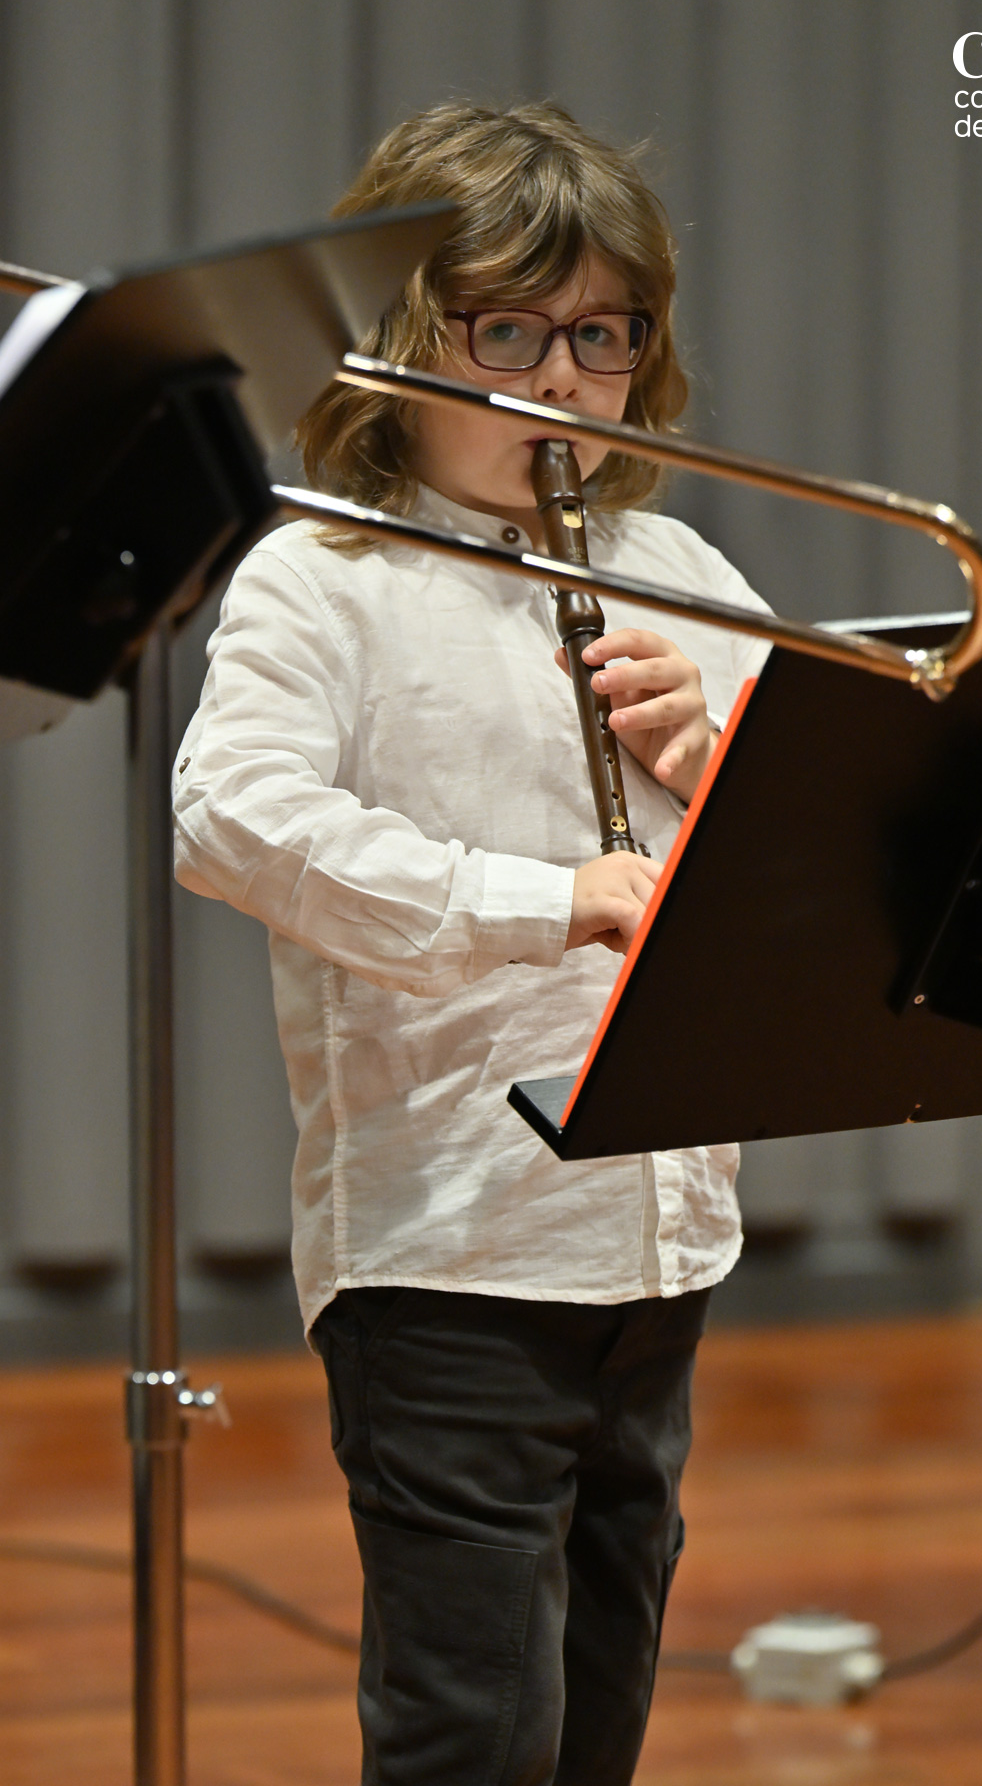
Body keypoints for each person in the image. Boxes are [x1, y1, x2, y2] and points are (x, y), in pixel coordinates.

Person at [173, 100, 771, 1786]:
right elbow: (231, 819)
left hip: (659, 1239)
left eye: (603, 336)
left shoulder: (682, 569)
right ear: (401, 337)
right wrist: (547, 899)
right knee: (476, 1734)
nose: (560, 383)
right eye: (506, 332)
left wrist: (709, 755)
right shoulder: (324, 577)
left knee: (603, 1705)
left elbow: (807, 857)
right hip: (448, 1248)